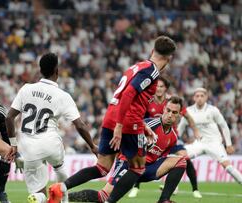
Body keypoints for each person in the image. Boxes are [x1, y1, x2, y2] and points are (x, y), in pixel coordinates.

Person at [49, 35, 177, 203]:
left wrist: (139, 125)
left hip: (111, 117)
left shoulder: (136, 66)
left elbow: (132, 98)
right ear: (169, 58)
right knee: (138, 168)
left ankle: (61, 188)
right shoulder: (152, 71)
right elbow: (129, 93)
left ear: (153, 50)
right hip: (126, 123)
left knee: (102, 168)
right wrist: (120, 126)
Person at [5, 53, 98, 203]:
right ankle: (63, 198)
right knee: (59, 167)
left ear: (40, 70)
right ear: (57, 70)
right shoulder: (63, 96)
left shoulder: (26, 89)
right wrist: (92, 146)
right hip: (51, 143)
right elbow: (80, 125)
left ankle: (38, 197)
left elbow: (9, 117)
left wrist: (13, 145)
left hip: (29, 148)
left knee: (38, 191)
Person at [69, 96, 186, 203]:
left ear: (179, 115)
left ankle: (164, 200)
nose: (170, 115)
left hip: (147, 169)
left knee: (181, 161)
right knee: (103, 196)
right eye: (168, 110)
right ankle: (67, 197)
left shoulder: (173, 137)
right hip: (128, 164)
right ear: (164, 109)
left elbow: (162, 158)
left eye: (174, 112)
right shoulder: (148, 125)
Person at [128, 77, 202, 198]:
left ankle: (195, 189)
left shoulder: (172, 103)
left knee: (185, 158)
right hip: (152, 138)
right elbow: (140, 118)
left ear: (166, 88)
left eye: (161, 86)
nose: (159, 89)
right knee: (141, 156)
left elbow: (188, 117)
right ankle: (136, 186)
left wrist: (196, 131)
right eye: (157, 86)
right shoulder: (149, 101)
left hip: (171, 139)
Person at [178, 87, 242, 185]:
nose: (199, 98)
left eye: (202, 96)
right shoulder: (188, 111)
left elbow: (224, 126)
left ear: (206, 97)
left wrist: (228, 144)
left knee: (227, 166)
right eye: (197, 96)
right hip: (199, 143)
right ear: (194, 98)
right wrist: (174, 144)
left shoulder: (213, 110)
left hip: (214, 143)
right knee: (178, 157)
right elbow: (180, 128)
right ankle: (173, 188)